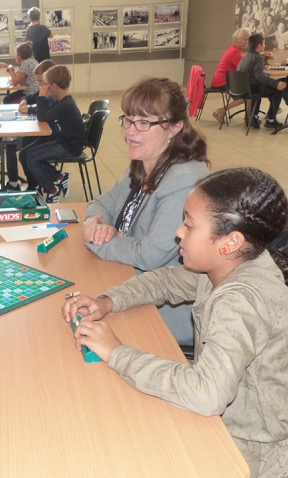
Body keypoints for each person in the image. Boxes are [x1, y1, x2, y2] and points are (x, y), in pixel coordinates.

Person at [63, 167, 288, 478]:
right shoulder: (230, 264)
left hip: (254, 457)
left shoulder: (242, 302)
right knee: (108, 407)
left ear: (230, 242)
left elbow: (206, 395)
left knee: (105, 439)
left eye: (189, 225)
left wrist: (117, 352)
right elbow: (167, 280)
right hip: (228, 420)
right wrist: (109, 301)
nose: (178, 232)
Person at [82, 77, 209, 346]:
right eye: (128, 119)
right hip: (126, 278)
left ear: (174, 127)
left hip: (165, 307)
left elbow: (148, 256)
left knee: (80, 328)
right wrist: (97, 224)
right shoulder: (143, 163)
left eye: (144, 122)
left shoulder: (184, 179)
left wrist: (96, 238)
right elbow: (98, 203)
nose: (130, 131)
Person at [18, 65, 83, 204]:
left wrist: (41, 95)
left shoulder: (66, 104)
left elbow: (42, 117)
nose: (43, 87)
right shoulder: (59, 101)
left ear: (53, 86)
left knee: (32, 157)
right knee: (24, 154)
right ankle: (50, 180)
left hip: (69, 146)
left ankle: (52, 188)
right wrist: (31, 107)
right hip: (61, 140)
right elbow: (45, 112)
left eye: (45, 85)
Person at [5, 59, 55, 192]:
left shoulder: (53, 96)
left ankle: (34, 185)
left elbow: (44, 113)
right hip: (41, 132)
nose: (38, 85)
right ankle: (15, 183)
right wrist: (24, 101)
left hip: (49, 136)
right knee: (10, 143)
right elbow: (30, 97)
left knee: (21, 150)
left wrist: (30, 110)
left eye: (40, 81)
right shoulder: (43, 92)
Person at [236, 33, 287, 129]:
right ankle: (271, 120)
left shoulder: (245, 57)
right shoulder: (259, 57)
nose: (264, 46)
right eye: (263, 44)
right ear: (259, 46)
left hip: (244, 88)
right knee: (277, 91)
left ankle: (254, 116)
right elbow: (260, 76)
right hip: (252, 89)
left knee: (261, 86)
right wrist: (276, 84)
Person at [211, 27, 251, 123]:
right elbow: (246, 68)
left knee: (249, 93)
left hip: (224, 80)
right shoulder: (234, 52)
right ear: (236, 40)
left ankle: (249, 117)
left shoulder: (234, 50)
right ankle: (223, 110)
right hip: (222, 81)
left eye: (248, 40)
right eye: (245, 39)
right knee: (248, 95)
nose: (247, 42)